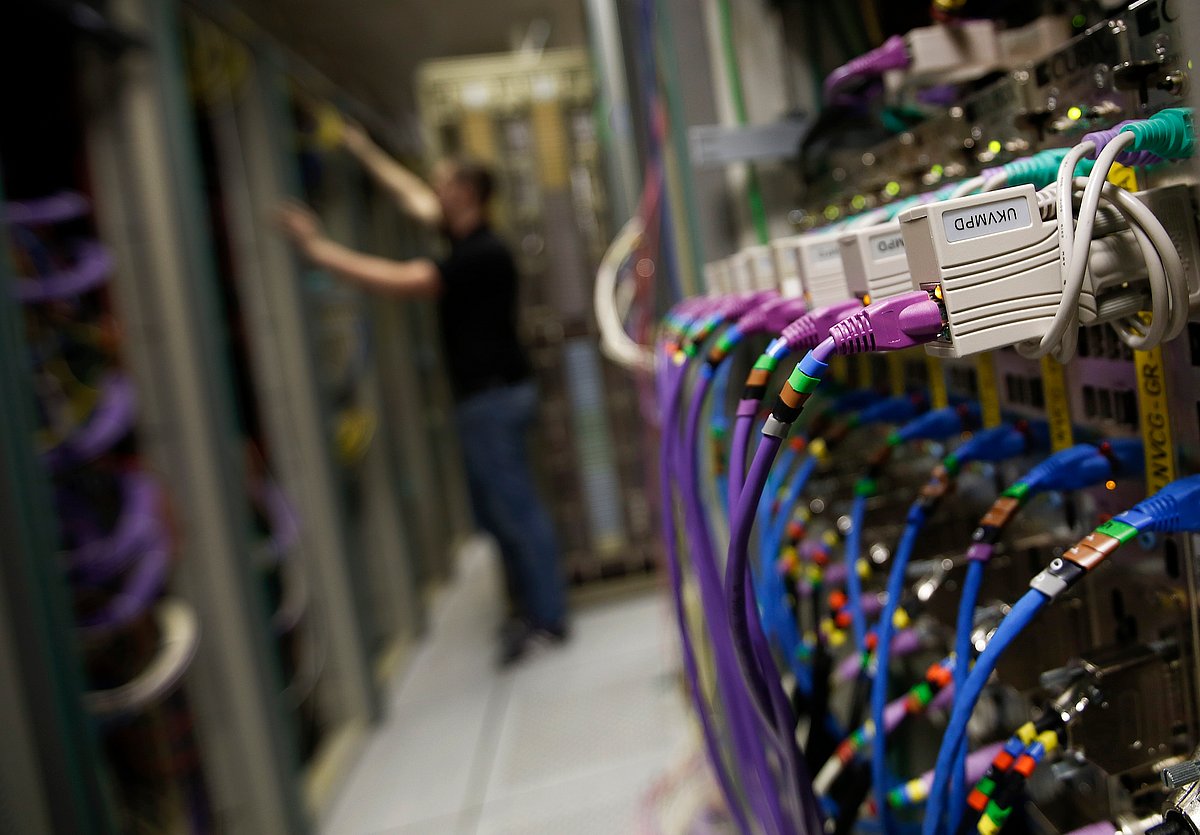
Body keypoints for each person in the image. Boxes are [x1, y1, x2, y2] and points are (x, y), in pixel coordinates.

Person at [276, 121, 568, 665]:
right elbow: (409, 195)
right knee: (500, 513)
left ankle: (547, 617)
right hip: (489, 397)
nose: (432, 188)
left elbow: (401, 280)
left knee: (516, 512)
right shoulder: (462, 237)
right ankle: (532, 608)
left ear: (464, 193)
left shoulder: (481, 254)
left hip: (493, 399)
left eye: (442, 181)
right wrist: (363, 147)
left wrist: (317, 251)